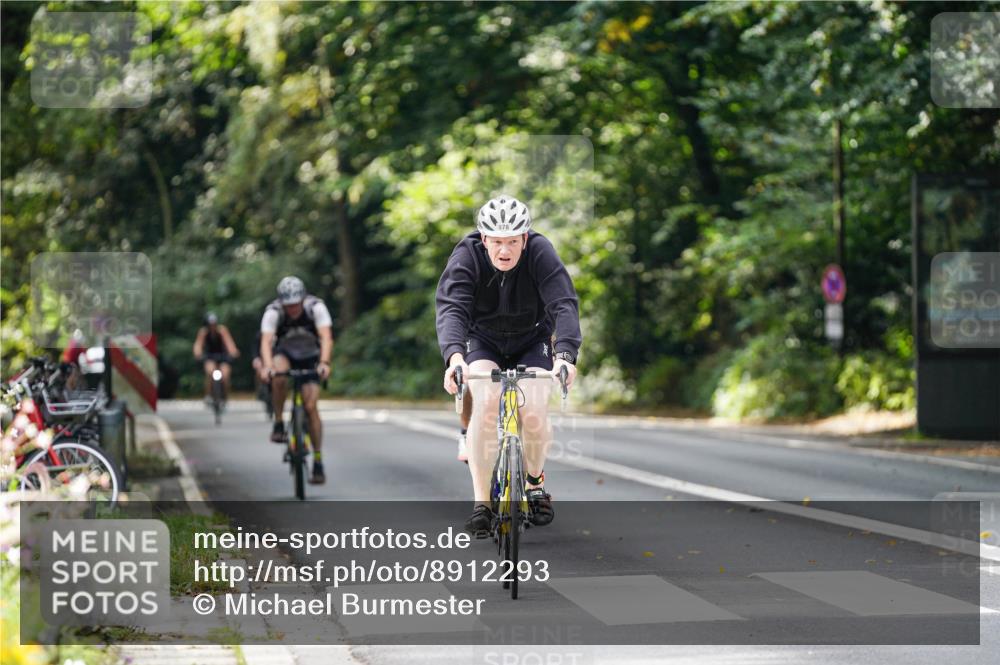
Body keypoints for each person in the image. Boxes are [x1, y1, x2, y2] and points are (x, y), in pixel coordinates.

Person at [436, 195, 581, 536]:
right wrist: (454, 357)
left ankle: (534, 484)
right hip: (482, 339)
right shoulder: (466, 256)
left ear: (524, 239)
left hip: (531, 339)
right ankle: (482, 504)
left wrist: (566, 356)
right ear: (484, 239)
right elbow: (452, 308)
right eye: (497, 242)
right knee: (485, 405)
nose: (504, 250)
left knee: (532, 412)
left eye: (512, 242)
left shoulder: (540, 252)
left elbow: (563, 304)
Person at [257, 276, 333, 485]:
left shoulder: (316, 308)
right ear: (282, 302)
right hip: (286, 354)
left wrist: (325, 362)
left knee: (311, 407)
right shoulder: (273, 312)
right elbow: (266, 341)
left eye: (295, 304)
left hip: (311, 356)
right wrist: (268, 367)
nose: (292, 309)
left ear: (303, 299)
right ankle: (279, 423)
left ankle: (318, 460)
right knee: (278, 376)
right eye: (288, 305)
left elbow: (326, 337)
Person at [192, 312, 239, 405]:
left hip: (223, 357)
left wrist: (233, 352)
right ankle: (208, 394)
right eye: (210, 325)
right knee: (210, 371)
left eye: (214, 324)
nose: (212, 326)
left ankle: (225, 395)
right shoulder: (203, 332)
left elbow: (230, 343)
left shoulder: (222, 331)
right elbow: (198, 345)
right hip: (209, 357)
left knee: (225, 374)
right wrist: (198, 354)